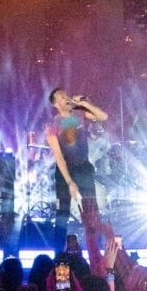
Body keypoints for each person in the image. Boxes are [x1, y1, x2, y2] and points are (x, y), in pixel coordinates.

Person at [45, 88, 108, 251]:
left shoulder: (79, 114)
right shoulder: (53, 126)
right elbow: (59, 157)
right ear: (56, 104)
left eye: (67, 95)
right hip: (65, 172)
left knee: (92, 211)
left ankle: (97, 250)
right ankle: (58, 254)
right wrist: (69, 181)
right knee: (62, 214)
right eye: (62, 97)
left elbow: (103, 117)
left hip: (84, 169)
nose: (66, 98)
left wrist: (84, 103)